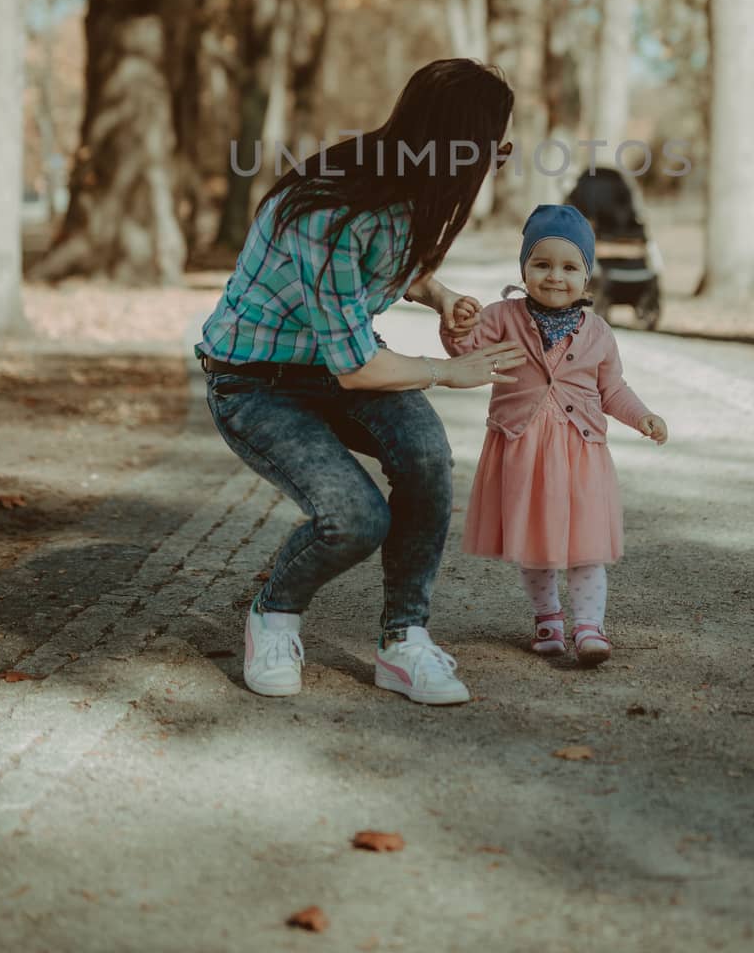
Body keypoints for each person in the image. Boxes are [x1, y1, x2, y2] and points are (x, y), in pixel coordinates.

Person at [196, 59, 526, 706]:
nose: (493, 166)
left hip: (333, 366)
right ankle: (274, 614)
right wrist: (446, 371)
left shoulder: (399, 189)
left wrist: (437, 294)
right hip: (255, 384)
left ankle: (404, 640)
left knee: (428, 458)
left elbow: (387, 263)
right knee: (354, 516)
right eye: (494, 150)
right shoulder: (332, 210)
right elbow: (356, 367)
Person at [440, 204, 668, 664]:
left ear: (587, 277)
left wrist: (642, 416)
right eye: (541, 264)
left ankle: (589, 626)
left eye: (569, 267)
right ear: (523, 269)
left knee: (587, 546)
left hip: (580, 453)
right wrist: (455, 320)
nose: (554, 276)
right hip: (522, 449)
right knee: (536, 543)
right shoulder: (502, 316)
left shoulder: (598, 332)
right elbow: (463, 349)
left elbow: (613, 388)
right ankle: (548, 617)